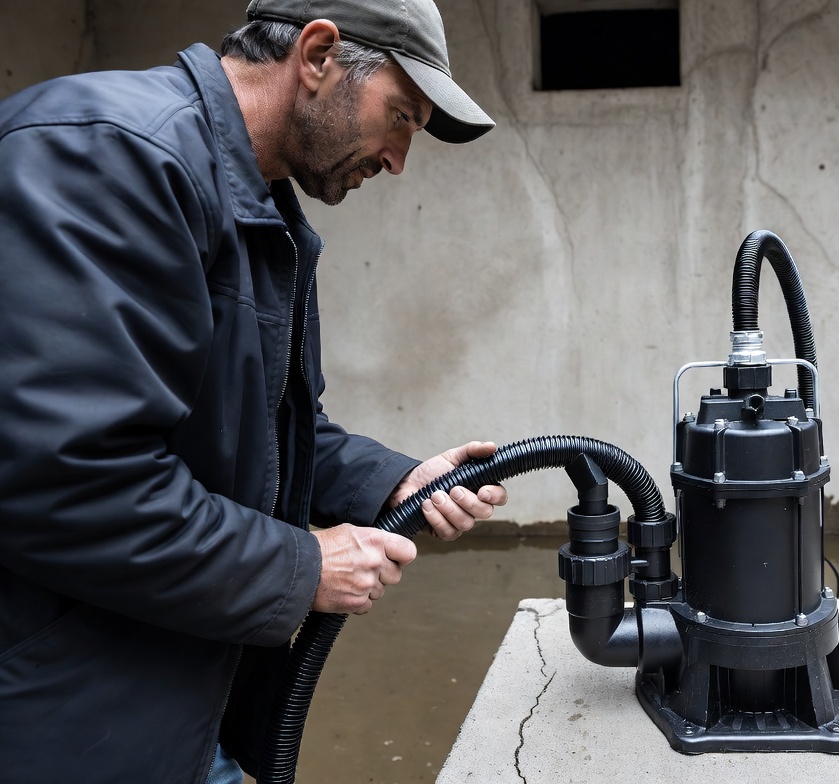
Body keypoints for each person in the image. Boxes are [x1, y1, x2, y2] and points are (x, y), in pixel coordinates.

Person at [0, 1, 504, 782]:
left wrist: (393, 480)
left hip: (172, 702)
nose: (400, 158)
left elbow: (252, 428)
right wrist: (299, 567)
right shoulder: (107, 158)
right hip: (61, 718)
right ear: (317, 55)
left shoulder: (258, 204)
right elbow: (67, 478)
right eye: (400, 116)